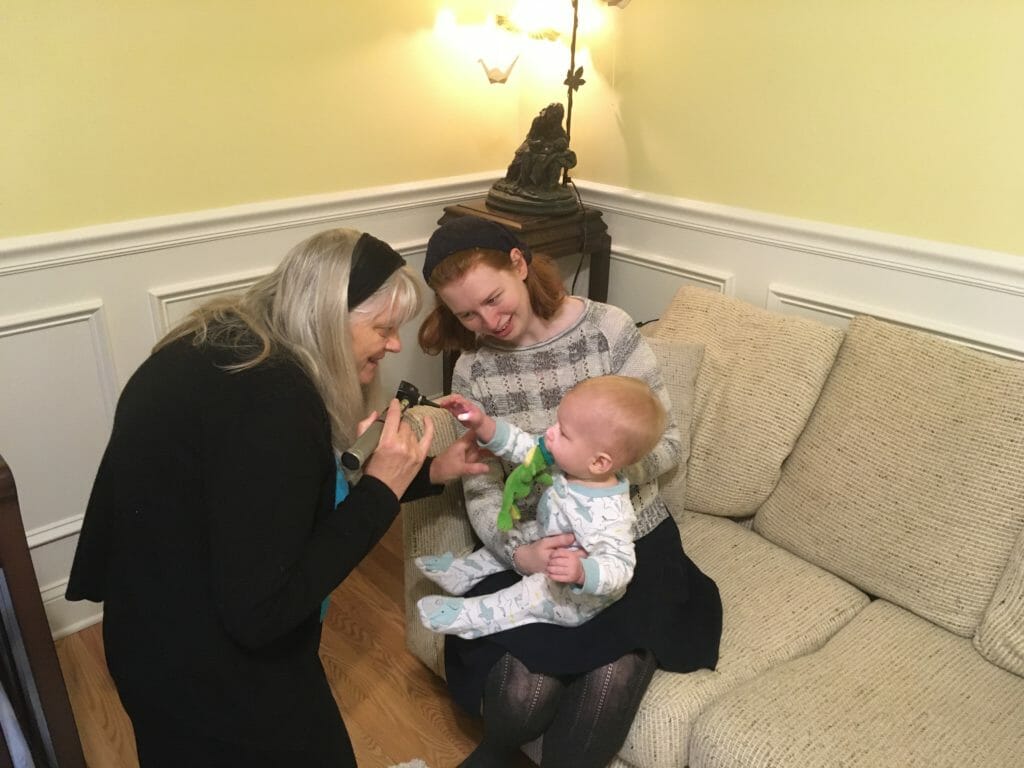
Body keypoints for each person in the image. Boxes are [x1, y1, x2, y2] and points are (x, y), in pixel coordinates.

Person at [65, 228, 489, 768]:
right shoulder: (273, 405)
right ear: (326, 319)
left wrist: (427, 472)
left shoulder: (227, 341)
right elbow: (265, 611)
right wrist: (381, 487)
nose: (395, 345)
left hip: (150, 630)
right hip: (208, 672)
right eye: (383, 328)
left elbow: (283, 504)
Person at [418, 216, 723, 768]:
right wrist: (521, 552)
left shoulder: (608, 330)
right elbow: (484, 487)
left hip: (626, 541)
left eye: (492, 298)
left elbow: (668, 442)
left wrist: (593, 482)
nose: (488, 321)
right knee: (518, 701)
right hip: (540, 545)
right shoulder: (473, 370)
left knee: (612, 676)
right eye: (467, 313)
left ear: (519, 262)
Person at [416, 375, 666, 638]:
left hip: (576, 597)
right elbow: (522, 446)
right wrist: (482, 424)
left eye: (563, 432)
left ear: (599, 463)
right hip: (553, 536)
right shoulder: (570, 460)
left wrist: (582, 572)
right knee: (518, 533)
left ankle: (469, 615)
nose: (550, 432)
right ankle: (460, 573)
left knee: (530, 594)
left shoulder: (610, 512)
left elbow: (621, 565)